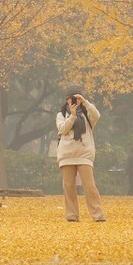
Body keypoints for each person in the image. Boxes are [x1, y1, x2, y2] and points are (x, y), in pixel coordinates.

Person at [56, 91, 105, 222]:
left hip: (84, 154)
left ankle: (98, 215)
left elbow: (97, 115)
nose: (73, 101)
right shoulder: (61, 115)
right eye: (70, 98)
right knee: (69, 187)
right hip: (67, 155)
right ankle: (72, 215)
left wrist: (85, 102)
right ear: (66, 100)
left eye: (76, 98)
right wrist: (72, 116)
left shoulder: (87, 115)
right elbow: (62, 130)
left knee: (90, 186)